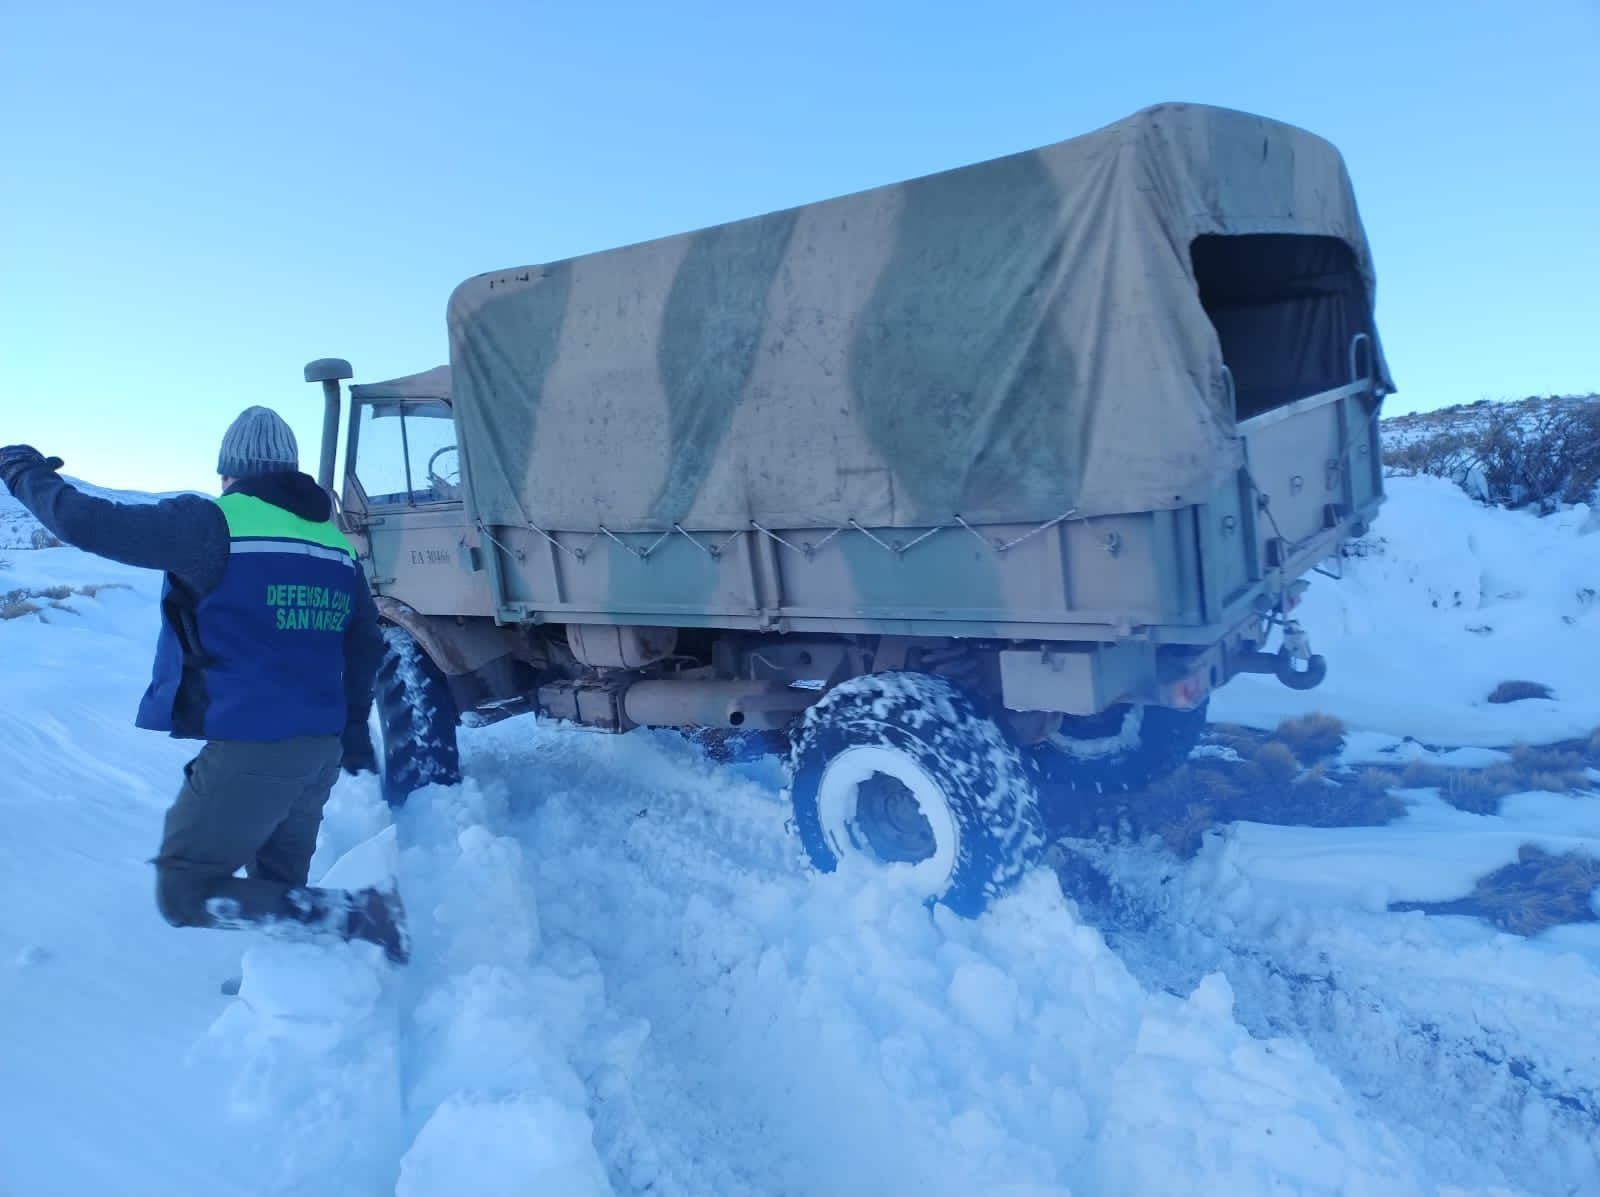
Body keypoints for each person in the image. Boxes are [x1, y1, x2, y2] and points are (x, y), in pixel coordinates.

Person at [0, 407, 408, 963]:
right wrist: (354, 738)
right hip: (320, 748)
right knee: (279, 886)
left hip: (255, 748)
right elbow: (361, 649)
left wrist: (24, 473)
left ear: (230, 471)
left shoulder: (213, 524)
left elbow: (87, 523)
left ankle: (360, 917)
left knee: (185, 891)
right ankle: (288, 995)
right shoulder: (333, 544)